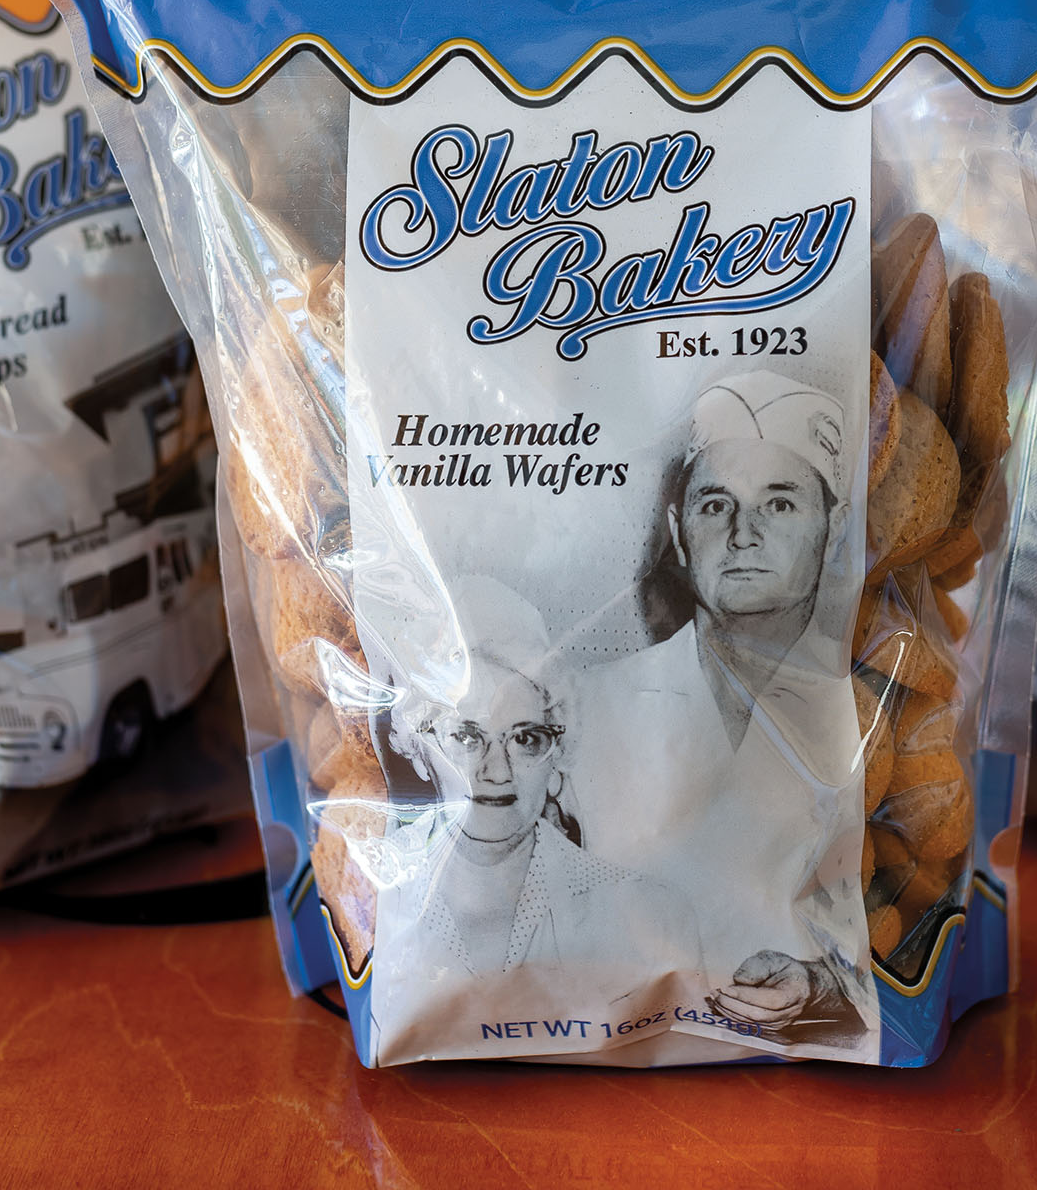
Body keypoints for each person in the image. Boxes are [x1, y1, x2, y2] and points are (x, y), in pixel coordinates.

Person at [569, 370, 871, 1048]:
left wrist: (819, 984)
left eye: (781, 504)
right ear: (678, 533)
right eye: (714, 505)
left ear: (836, 525)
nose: (742, 535)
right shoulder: (591, 705)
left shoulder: (875, 710)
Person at [369, 577, 698, 1059]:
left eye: (524, 739)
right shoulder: (379, 899)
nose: (495, 771)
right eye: (465, 736)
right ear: (418, 746)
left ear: (557, 751)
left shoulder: (646, 915)